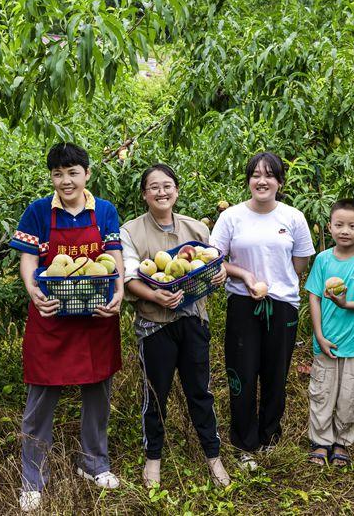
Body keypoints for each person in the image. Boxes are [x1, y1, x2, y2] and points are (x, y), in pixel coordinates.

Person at [9, 143, 125, 512]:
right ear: (52, 178)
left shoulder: (104, 211)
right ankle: (32, 479)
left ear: (87, 174)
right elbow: (29, 260)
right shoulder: (38, 211)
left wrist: (119, 290)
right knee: (40, 402)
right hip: (52, 315)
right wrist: (32, 289)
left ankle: (93, 463)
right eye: (58, 174)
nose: (66, 180)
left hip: (95, 317)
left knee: (98, 395)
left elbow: (114, 257)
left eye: (73, 172)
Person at [120, 164, 231, 488]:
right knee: (155, 395)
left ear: (177, 190)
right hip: (155, 325)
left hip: (194, 319)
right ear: (144, 194)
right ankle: (153, 460)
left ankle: (214, 458)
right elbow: (128, 277)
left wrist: (220, 274)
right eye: (153, 187)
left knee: (200, 391)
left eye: (167, 185)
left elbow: (212, 265)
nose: (161, 192)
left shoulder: (196, 229)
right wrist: (154, 294)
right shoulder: (131, 231)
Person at [209, 152, 315, 471]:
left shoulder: (293, 218)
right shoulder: (232, 218)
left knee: (275, 375)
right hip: (243, 303)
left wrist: (277, 283)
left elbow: (300, 263)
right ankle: (245, 444)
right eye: (255, 174)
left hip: (281, 305)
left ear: (280, 182)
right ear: (248, 180)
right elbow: (216, 258)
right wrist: (244, 275)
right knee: (242, 373)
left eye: (269, 175)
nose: (262, 180)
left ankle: (270, 438)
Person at [303, 199, 354, 467]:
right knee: (322, 392)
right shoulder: (323, 260)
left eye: (351, 226)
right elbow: (313, 298)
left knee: (350, 396)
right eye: (339, 225)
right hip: (326, 341)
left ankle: (343, 442)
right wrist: (319, 335)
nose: (344, 230)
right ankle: (321, 441)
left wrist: (345, 303)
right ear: (329, 227)